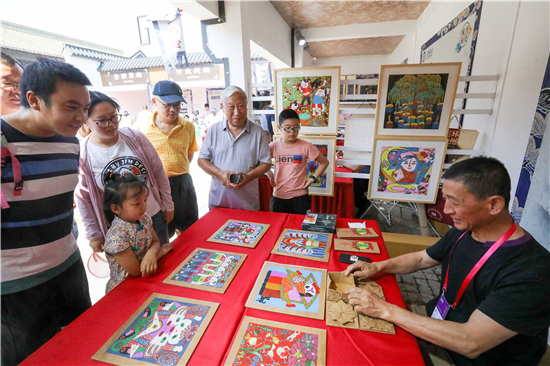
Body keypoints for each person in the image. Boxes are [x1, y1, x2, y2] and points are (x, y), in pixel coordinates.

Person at [344, 156, 550, 366]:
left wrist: (385, 309)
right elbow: (421, 259)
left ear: (494, 204)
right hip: (436, 320)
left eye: (455, 202)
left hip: (465, 357)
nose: (446, 210)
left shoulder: (533, 272)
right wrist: (378, 266)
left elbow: (470, 342)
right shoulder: (466, 231)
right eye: (446, 199)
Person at [1, 59, 92, 366]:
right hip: (16, 287)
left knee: (83, 346)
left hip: (68, 268)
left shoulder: (71, 143)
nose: (81, 117)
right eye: (71, 107)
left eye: (84, 108)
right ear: (34, 99)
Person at [76, 91, 174, 253]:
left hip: (152, 215)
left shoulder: (135, 137)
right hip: (119, 228)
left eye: (114, 117)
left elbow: (158, 172)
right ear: (86, 122)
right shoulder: (84, 153)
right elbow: (83, 197)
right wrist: (93, 233)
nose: (111, 124)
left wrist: (168, 204)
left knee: (163, 260)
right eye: (102, 121)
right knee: (131, 272)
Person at [137, 80, 198, 237]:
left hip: (183, 183)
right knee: (162, 233)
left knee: (189, 230)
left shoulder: (188, 127)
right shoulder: (142, 128)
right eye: (167, 105)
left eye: (177, 104)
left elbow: (188, 156)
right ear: (154, 102)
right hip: (156, 187)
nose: (173, 109)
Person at [198, 85, 271, 211]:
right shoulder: (214, 130)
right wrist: (220, 174)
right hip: (219, 202)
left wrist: (248, 177)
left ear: (247, 106)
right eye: (231, 107)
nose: (236, 112)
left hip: (247, 204)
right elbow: (202, 160)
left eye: (241, 106)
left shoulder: (258, 132)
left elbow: (266, 163)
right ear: (223, 107)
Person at [102, 173, 173, 293]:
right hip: (125, 289)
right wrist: (160, 253)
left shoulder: (143, 218)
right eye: (137, 204)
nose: (144, 207)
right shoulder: (116, 237)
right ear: (116, 209)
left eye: (145, 200)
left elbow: (155, 242)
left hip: (145, 279)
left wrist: (151, 253)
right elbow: (137, 271)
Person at [267, 109, 329, 215]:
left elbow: (324, 162)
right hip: (278, 195)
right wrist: (269, 174)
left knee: (299, 227)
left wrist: (312, 178)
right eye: (287, 128)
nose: (292, 131)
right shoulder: (273, 146)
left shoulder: (306, 146)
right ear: (279, 128)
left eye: (296, 127)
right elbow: (260, 161)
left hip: (300, 196)